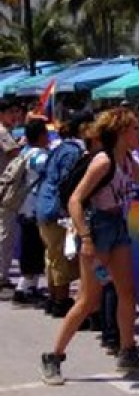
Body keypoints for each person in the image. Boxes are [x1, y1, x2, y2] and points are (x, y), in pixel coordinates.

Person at [41, 107, 139, 385]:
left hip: (116, 225)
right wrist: (85, 238)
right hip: (97, 229)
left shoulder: (126, 159)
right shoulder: (103, 161)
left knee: (127, 293)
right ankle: (54, 355)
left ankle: (127, 351)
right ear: (121, 131)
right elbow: (75, 200)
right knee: (89, 299)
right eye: (135, 128)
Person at [36, 111, 94, 318]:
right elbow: (67, 183)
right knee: (60, 257)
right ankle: (61, 301)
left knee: (52, 255)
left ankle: (54, 298)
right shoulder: (73, 151)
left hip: (43, 205)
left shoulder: (62, 148)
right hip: (55, 209)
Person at [12, 118, 51, 305]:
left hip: (24, 207)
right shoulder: (40, 157)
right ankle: (22, 289)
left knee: (32, 248)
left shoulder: (25, 152)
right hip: (34, 208)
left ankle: (30, 287)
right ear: (42, 135)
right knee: (33, 249)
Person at [0, 99, 26, 299]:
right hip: (5, 189)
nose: (14, 116)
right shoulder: (2, 132)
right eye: (11, 112)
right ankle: (1, 277)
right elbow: (14, 154)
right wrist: (23, 145)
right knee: (5, 233)